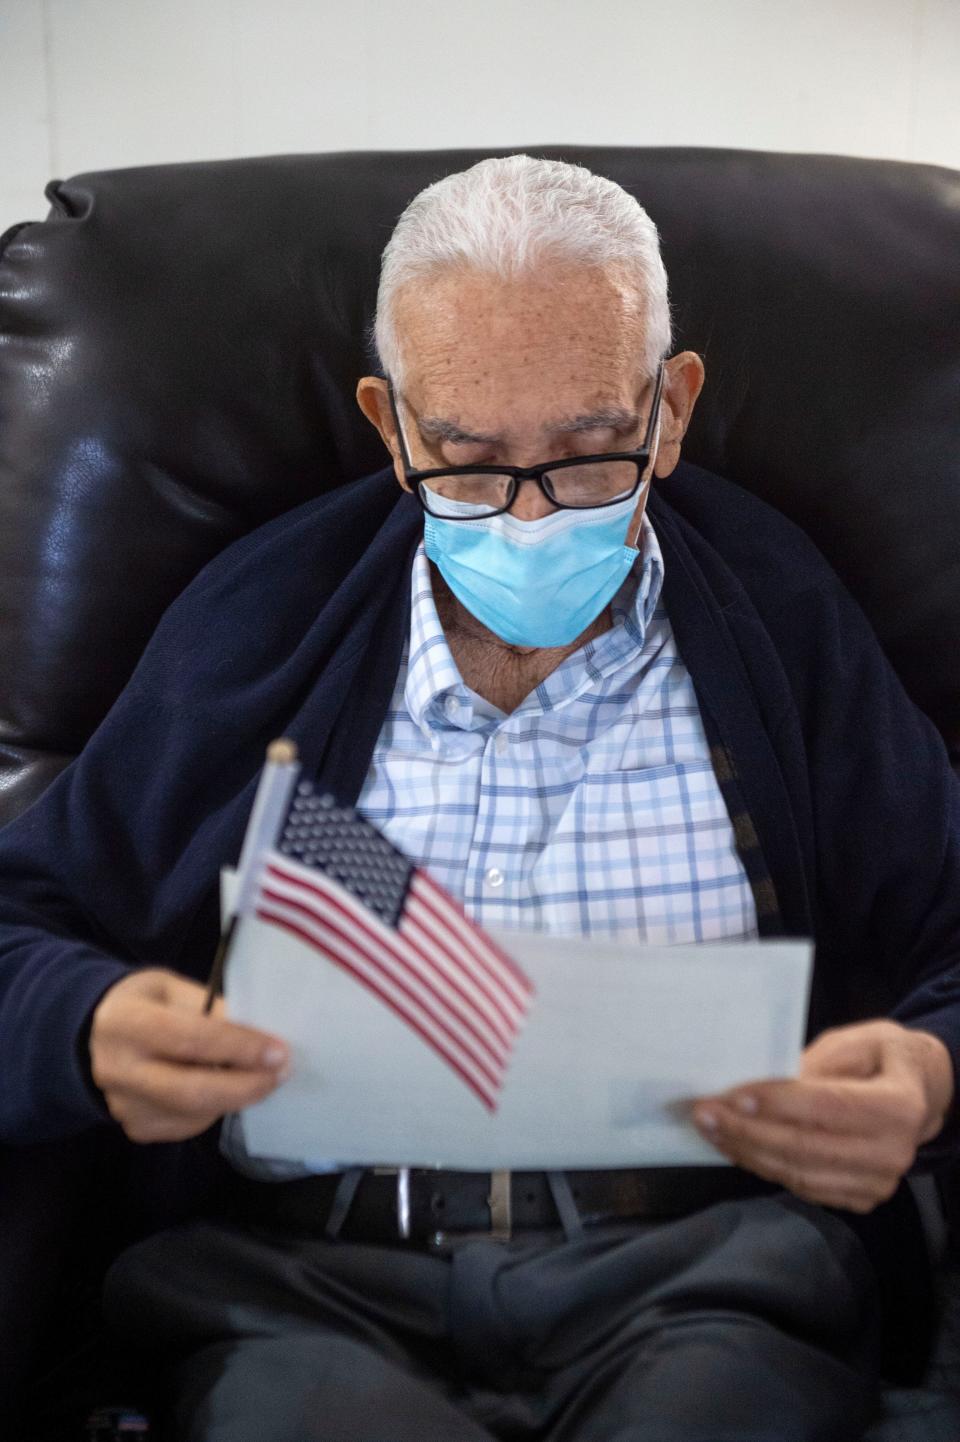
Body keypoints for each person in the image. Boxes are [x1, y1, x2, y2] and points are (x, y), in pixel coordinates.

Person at [1, 155, 959, 1441]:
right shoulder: (259, 619)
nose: (525, 518)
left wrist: (930, 1071)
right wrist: (91, 1017)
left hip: (704, 1276)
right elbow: (21, 922)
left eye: (583, 456)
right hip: (306, 1288)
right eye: (464, 461)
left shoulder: (781, 619)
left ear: (670, 410)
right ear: (389, 425)